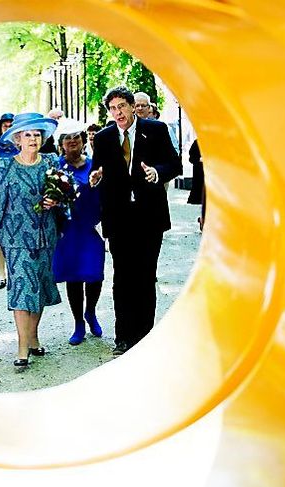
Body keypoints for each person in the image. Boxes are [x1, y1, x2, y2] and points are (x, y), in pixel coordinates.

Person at [88, 86, 181, 355]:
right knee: (123, 278)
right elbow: (97, 170)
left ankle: (145, 336)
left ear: (132, 107)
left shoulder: (156, 130)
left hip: (149, 218)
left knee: (145, 276)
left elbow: (174, 165)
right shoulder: (104, 138)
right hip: (119, 219)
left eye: (122, 107)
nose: (118, 113)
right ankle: (123, 336)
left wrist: (157, 172)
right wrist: (95, 178)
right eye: (113, 109)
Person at [0, 112, 63, 368]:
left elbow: (63, 195)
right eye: (27, 134)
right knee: (21, 290)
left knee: (39, 288)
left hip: (45, 235)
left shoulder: (51, 162)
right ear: (17, 139)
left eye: (36, 134)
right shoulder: (5, 166)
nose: (32, 138)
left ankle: (33, 337)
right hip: (16, 239)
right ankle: (21, 346)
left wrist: (56, 200)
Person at [52, 120, 105, 345]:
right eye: (67, 138)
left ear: (83, 140)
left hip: (90, 228)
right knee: (74, 278)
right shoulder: (56, 168)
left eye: (76, 137)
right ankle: (78, 324)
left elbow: (106, 195)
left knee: (94, 275)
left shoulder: (95, 165)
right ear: (61, 144)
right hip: (68, 231)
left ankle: (90, 312)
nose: (72, 141)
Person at [0, 112, 17, 290]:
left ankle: (14, 270)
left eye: (11, 125)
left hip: (17, 197)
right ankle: (2, 274)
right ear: (0, 128)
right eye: (5, 125)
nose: (8, 128)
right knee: (0, 237)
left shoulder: (20, 146)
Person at [188, 138, 206, 230]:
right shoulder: (197, 142)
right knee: (204, 199)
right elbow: (191, 158)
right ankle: (203, 220)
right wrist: (200, 159)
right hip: (201, 176)